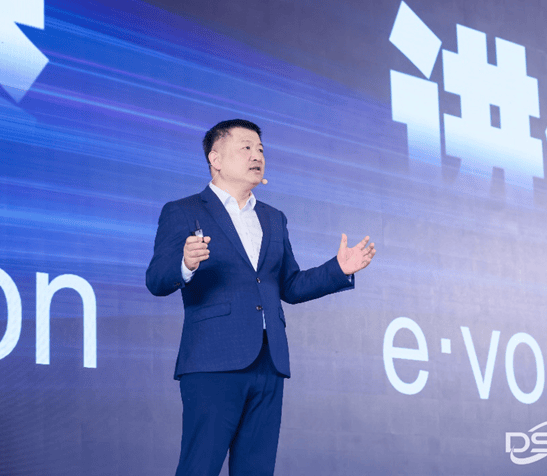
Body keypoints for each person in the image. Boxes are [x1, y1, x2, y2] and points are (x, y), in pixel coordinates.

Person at [145, 119, 375, 476]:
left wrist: (338, 269)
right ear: (215, 159)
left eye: (261, 149)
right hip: (213, 362)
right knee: (199, 467)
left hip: (269, 362)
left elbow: (290, 286)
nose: (257, 156)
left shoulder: (273, 218)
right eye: (246, 148)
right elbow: (157, 280)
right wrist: (185, 263)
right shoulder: (184, 211)